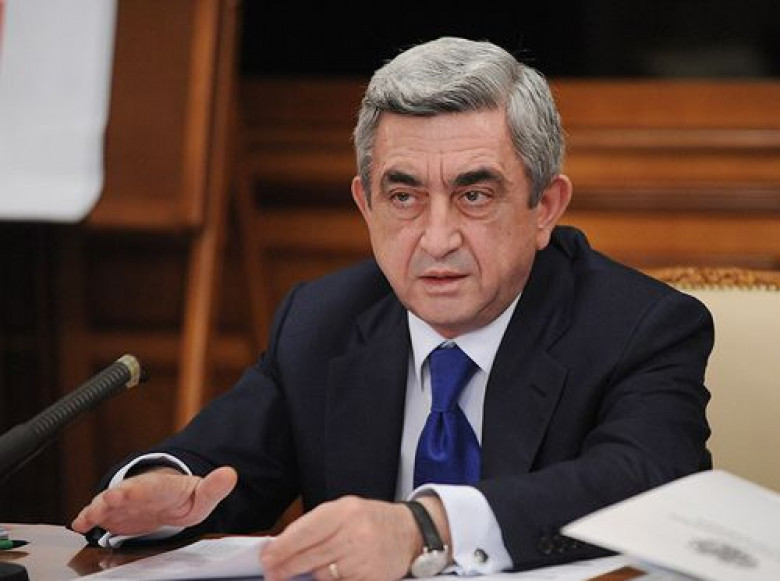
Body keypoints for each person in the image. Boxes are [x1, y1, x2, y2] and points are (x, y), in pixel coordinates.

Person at [71, 36, 713, 579]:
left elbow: (650, 483)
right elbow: (218, 467)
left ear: (544, 207)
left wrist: (425, 529)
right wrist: (161, 492)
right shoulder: (321, 320)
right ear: (366, 205)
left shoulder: (637, 327)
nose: (437, 239)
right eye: (404, 198)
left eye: (475, 195)